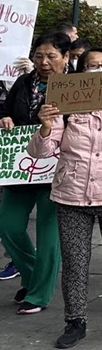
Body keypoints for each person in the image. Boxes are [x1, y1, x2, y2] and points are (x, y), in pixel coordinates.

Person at [28, 48, 102, 349]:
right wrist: (45, 126)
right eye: (92, 66)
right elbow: (40, 153)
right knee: (75, 261)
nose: (99, 70)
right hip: (72, 197)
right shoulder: (63, 106)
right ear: (81, 72)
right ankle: (75, 320)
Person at [0, 32, 70, 315]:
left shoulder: (78, 87)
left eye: (51, 56)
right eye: (39, 56)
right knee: (9, 225)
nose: (44, 62)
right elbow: (6, 107)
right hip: (21, 169)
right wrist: (4, 117)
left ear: (66, 58)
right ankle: (30, 276)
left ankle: (40, 294)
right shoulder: (25, 83)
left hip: (58, 170)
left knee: (48, 235)